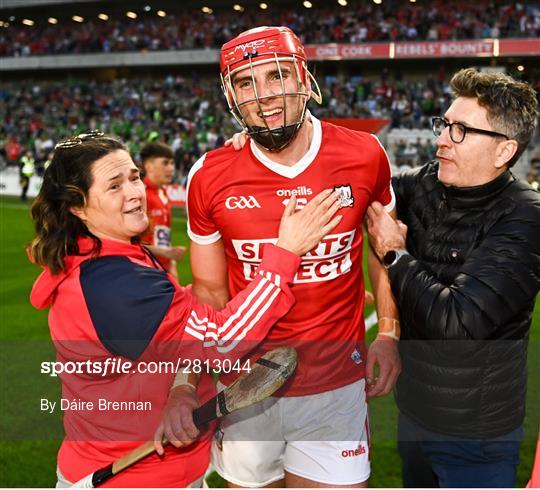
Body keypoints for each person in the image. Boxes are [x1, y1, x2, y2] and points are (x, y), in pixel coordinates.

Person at [28, 132, 342, 487]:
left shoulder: (104, 256)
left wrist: (181, 388)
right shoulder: (114, 285)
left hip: (135, 469)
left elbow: (176, 321)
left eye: (134, 177)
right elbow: (222, 341)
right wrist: (287, 253)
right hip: (136, 479)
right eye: (115, 186)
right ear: (78, 206)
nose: (134, 192)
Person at [185, 26, 401, 488]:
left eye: (276, 75)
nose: (263, 95)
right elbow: (207, 291)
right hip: (244, 387)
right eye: (246, 82)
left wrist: (388, 330)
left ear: (304, 77)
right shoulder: (209, 175)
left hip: (335, 383)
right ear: (229, 94)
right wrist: (194, 376)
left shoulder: (365, 155)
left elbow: (385, 252)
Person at [366, 68, 540, 487]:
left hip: (477, 437)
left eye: (460, 130)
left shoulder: (525, 217)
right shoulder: (426, 182)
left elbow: (456, 324)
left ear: (504, 151)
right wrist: (259, 148)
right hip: (414, 417)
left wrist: (395, 254)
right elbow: (361, 188)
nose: (441, 139)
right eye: (444, 125)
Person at [139, 141, 186, 278]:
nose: (171, 168)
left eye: (172, 163)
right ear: (149, 166)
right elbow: (130, 243)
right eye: (165, 163)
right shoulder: (141, 195)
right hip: (146, 270)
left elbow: (163, 237)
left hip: (163, 269)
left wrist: (170, 262)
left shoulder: (164, 193)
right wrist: (164, 253)